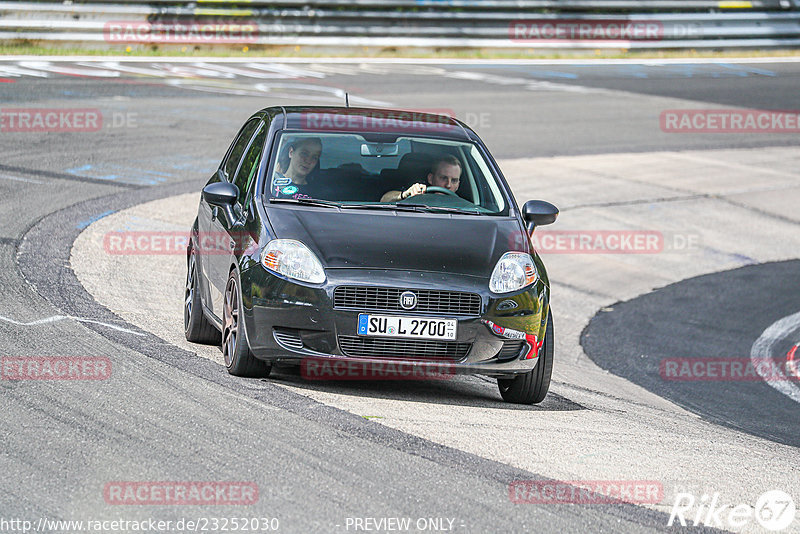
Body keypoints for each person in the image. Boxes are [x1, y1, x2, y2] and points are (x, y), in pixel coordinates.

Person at [380, 155, 462, 202]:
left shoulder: (467, 208)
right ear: (431, 178)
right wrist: (405, 194)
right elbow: (384, 199)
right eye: (444, 178)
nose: (448, 185)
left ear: (458, 185)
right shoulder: (418, 195)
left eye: (454, 181)